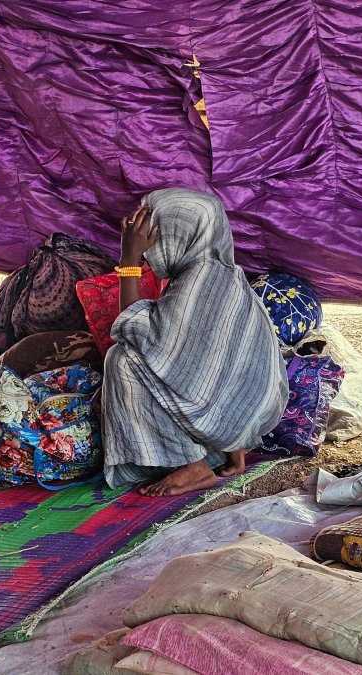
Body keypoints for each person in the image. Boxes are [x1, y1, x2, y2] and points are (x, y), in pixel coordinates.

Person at [101, 189, 288, 497]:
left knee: (121, 360)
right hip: (246, 420)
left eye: (153, 233)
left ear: (177, 233)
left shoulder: (197, 282)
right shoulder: (225, 272)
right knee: (171, 366)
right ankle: (230, 450)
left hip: (232, 423)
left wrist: (129, 259)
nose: (147, 245)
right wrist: (236, 444)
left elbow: (132, 328)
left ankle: (194, 466)